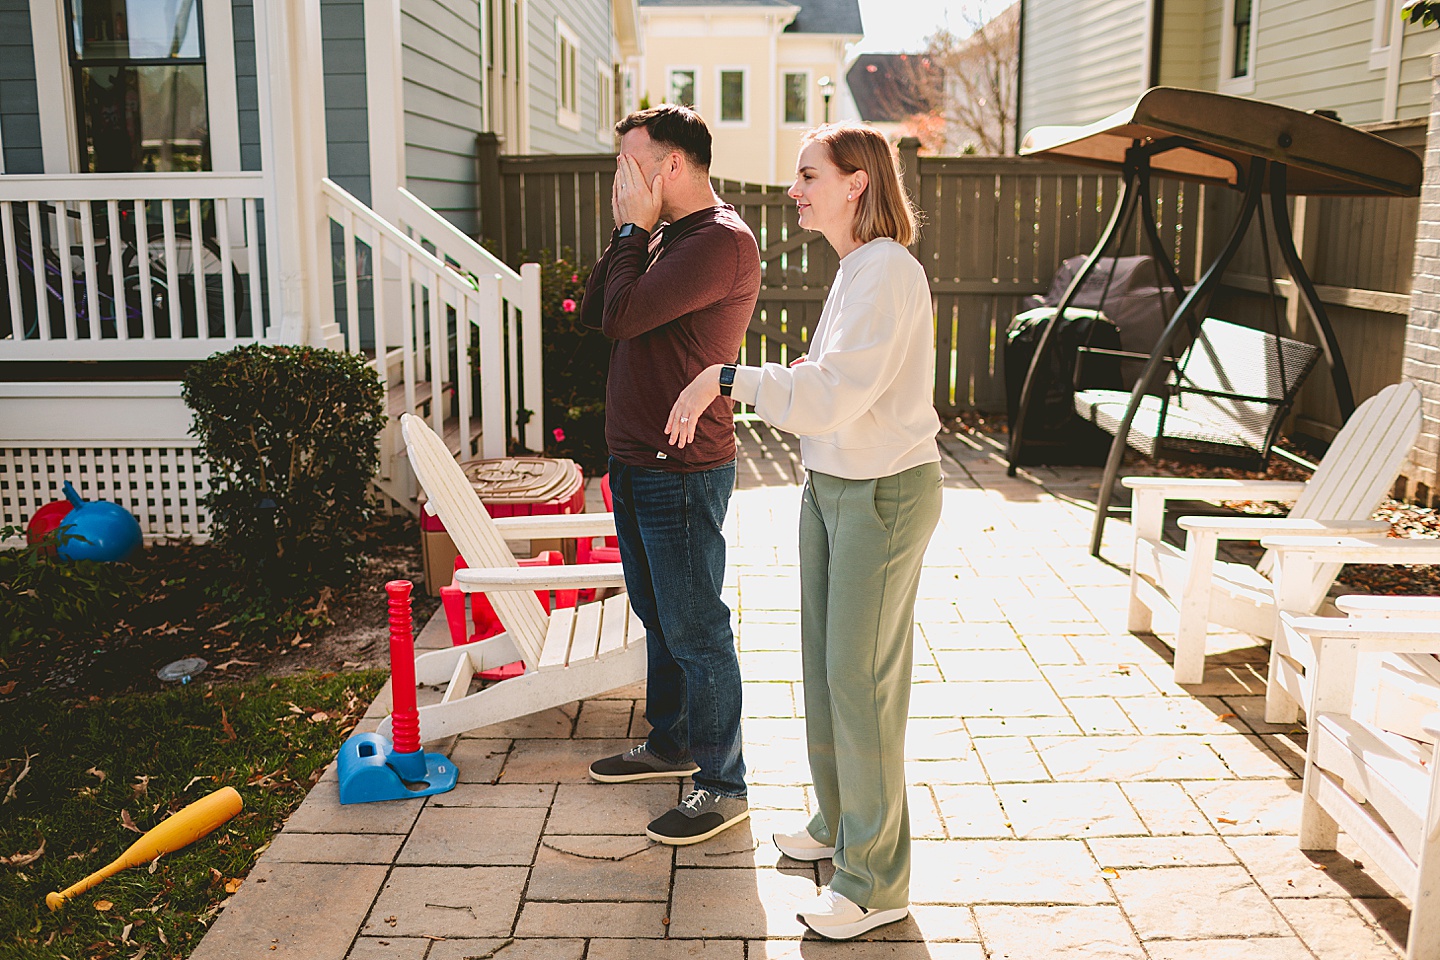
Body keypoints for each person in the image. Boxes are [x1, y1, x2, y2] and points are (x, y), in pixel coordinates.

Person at [666, 123, 942, 938]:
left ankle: (876, 882)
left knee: (862, 688)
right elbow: (824, 395)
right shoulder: (858, 270)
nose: (795, 189)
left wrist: (728, 377)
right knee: (827, 675)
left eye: (808, 174)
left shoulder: (887, 271)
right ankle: (838, 826)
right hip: (834, 488)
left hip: (882, 496)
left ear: (857, 183)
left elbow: (831, 393)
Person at [583, 105, 761, 846]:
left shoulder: (717, 242)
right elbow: (600, 310)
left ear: (672, 166)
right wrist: (631, 234)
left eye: (631, 164)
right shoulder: (664, 238)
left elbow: (623, 317)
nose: (621, 179)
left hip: (680, 468)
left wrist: (630, 233)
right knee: (660, 617)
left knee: (697, 628)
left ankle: (724, 785)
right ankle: (673, 742)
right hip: (636, 461)